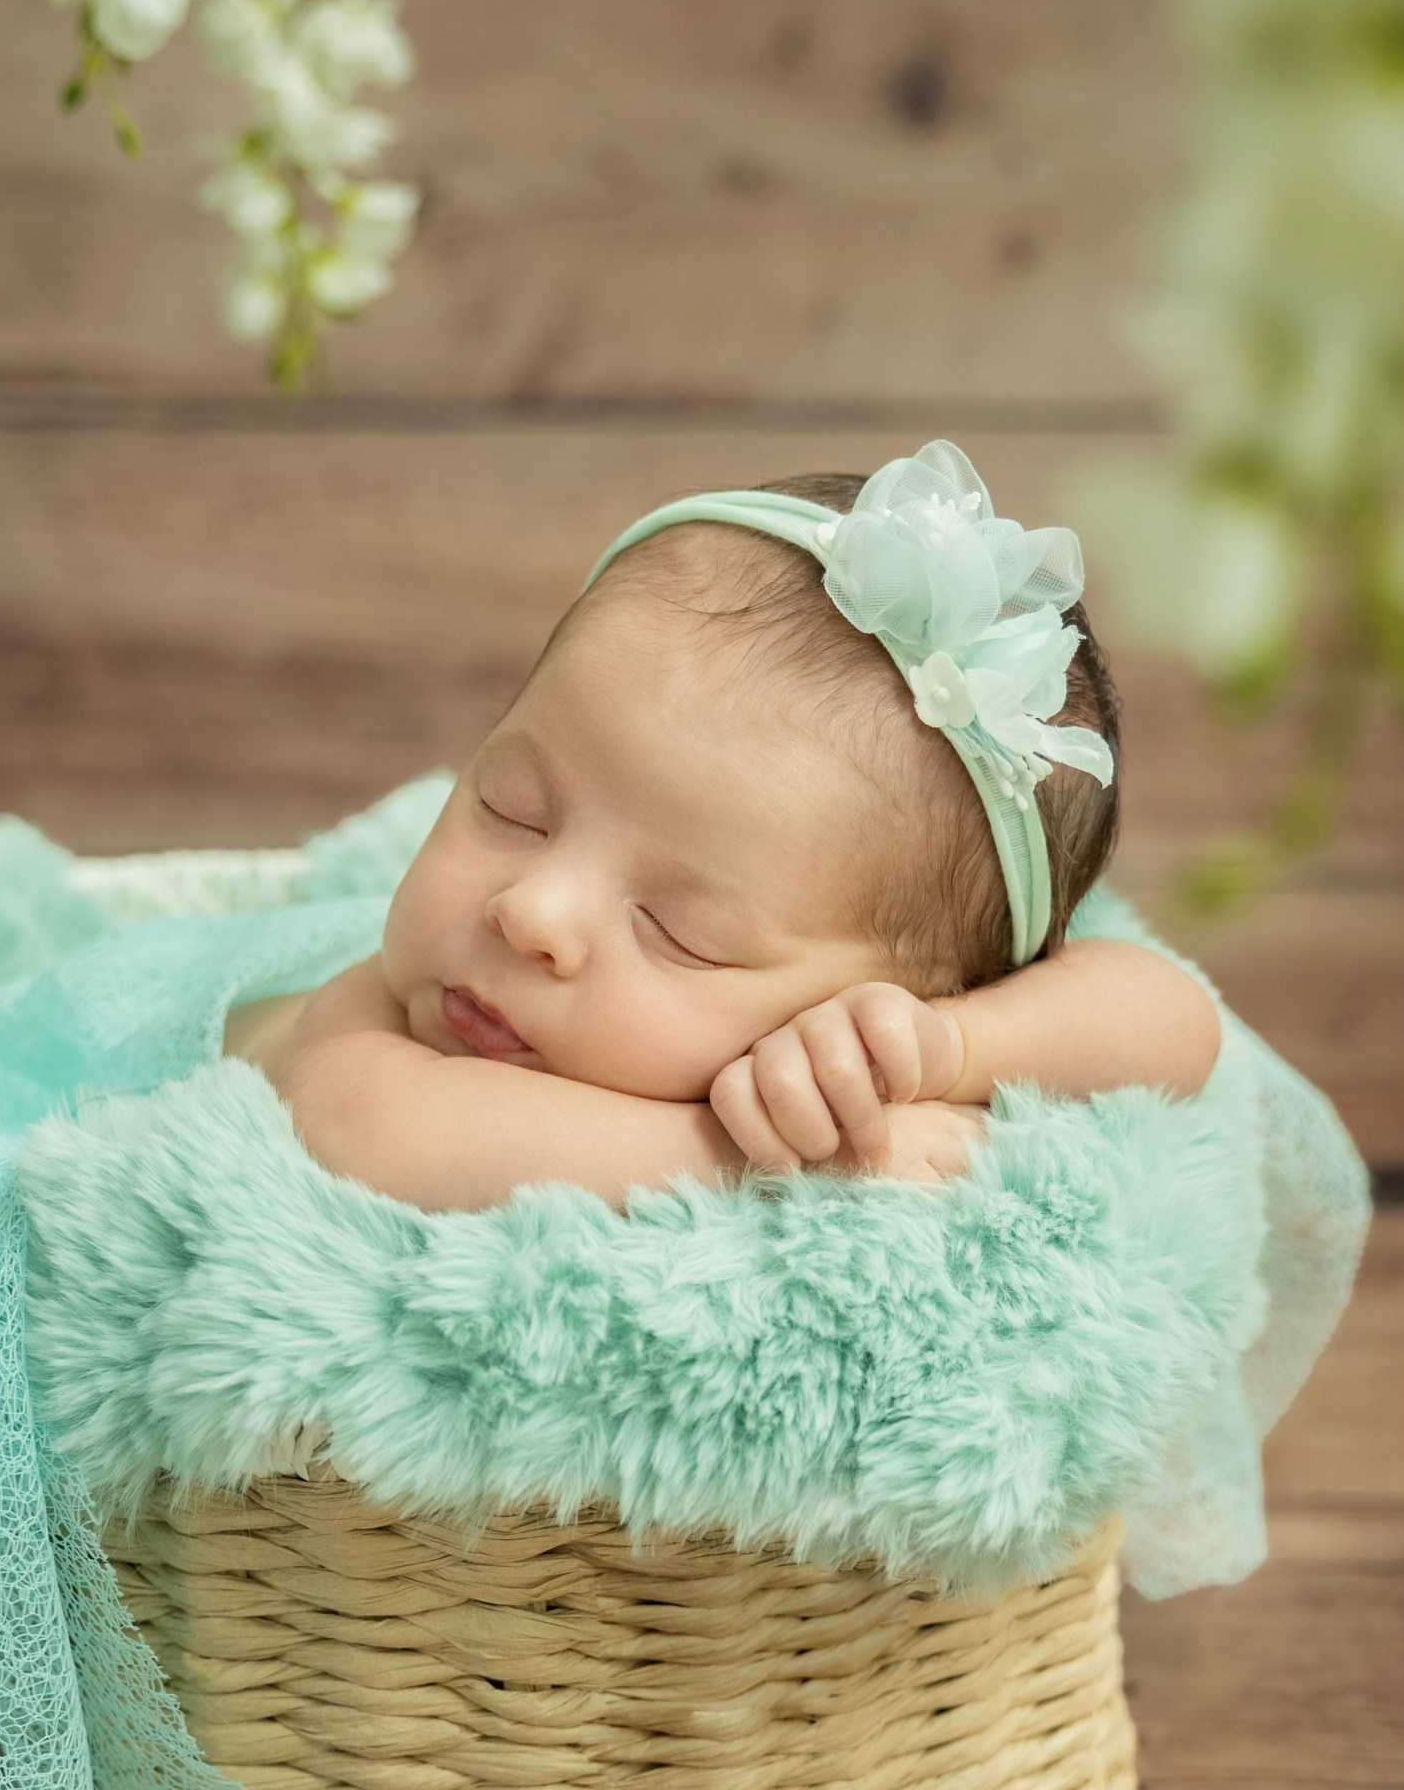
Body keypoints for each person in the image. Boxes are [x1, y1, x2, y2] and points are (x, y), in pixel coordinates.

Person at [223, 442, 1221, 1213]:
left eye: (675, 930)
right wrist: (762, 1164)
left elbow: (1175, 1022)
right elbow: (357, 1128)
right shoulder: (382, 1020)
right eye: (510, 810)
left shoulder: (889, 1025)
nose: (530, 910)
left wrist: (931, 1051)